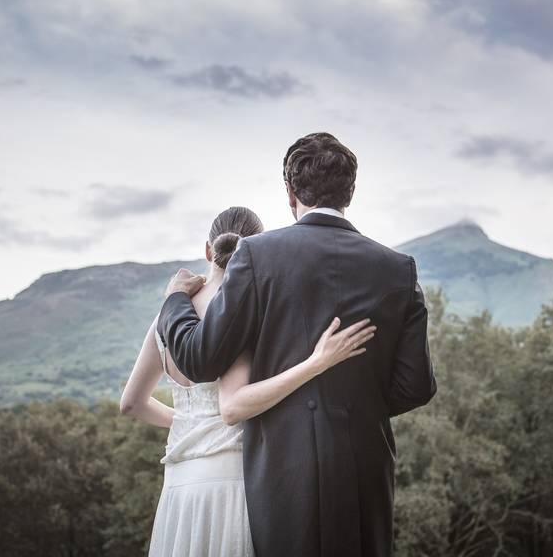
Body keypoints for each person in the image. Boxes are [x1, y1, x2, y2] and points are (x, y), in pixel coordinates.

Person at [158, 133, 438, 557]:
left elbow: (200, 360)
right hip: (365, 463)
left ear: (290, 193)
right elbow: (416, 386)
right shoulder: (398, 268)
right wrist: (355, 402)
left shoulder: (257, 255)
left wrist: (175, 301)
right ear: (351, 191)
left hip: (282, 465)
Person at [120, 206, 376, 557]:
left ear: (208, 251)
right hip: (238, 480)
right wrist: (317, 362)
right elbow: (235, 403)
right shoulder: (247, 312)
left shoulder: (167, 314)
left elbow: (131, 404)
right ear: (255, 251)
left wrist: (189, 421)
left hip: (180, 485)